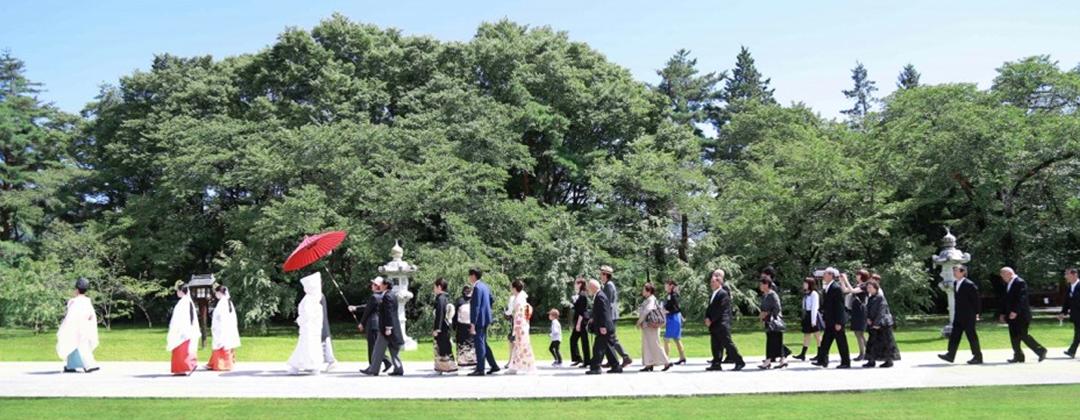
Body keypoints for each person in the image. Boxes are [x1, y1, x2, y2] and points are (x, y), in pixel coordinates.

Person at [998, 267, 1047, 363]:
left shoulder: (1020, 282)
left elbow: (1022, 298)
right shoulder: (1009, 284)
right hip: (1011, 314)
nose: (1002, 278)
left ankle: (1040, 350)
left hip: (1021, 315)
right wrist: (1003, 313)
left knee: (1023, 335)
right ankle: (1018, 355)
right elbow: (1006, 300)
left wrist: (1015, 311)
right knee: (1014, 336)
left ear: (1009, 273)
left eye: (1003, 275)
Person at [938, 265, 983, 364]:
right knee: (955, 335)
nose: (954, 272)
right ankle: (950, 355)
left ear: (963, 272)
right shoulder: (955, 283)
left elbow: (976, 300)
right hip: (959, 315)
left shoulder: (969, 284)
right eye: (953, 270)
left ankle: (977, 356)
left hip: (969, 315)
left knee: (971, 336)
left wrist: (977, 313)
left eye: (956, 271)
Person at [57, 278, 99, 373]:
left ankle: (88, 365)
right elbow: (91, 316)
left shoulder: (73, 302)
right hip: (85, 327)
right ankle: (71, 365)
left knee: (75, 344)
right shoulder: (87, 301)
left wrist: (65, 326)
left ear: (76, 290)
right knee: (81, 345)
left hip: (75, 327)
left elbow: (70, 316)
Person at [705, 269, 745, 371]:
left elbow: (720, 309)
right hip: (714, 324)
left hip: (721, 323)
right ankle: (716, 363)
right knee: (715, 345)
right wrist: (707, 317)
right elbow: (710, 308)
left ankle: (739, 361)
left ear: (719, 282)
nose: (711, 284)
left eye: (713, 282)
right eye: (711, 282)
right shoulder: (713, 294)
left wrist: (711, 319)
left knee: (727, 343)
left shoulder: (723, 293)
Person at [363, 277, 404, 376]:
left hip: (386, 329)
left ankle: (373, 369)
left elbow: (389, 313)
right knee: (393, 349)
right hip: (391, 328)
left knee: (377, 350)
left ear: (385, 285)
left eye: (381, 284)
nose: (379, 286)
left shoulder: (387, 296)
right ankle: (398, 369)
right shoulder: (391, 295)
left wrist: (388, 327)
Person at [349, 280, 392, 373]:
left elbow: (367, 311)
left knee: (372, 347)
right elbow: (368, 306)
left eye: (373, 284)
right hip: (378, 324)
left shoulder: (374, 297)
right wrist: (355, 308)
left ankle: (372, 367)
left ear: (377, 286)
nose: (371, 286)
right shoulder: (382, 296)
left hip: (372, 324)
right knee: (376, 346)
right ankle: (386, 361)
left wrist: (362, 323)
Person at [813, 267, 851, 369]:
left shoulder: (836, 288)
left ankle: (846, 362)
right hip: (830, 320)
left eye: (825, 274)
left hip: (836, 321)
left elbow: (839, 306)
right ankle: (822, 360)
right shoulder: (828, 287)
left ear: (831, 275)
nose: (823, 276)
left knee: (841, 342)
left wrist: (839, 322)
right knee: (826, 341)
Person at [287, 273, 324, 375]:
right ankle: (312, 366)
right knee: (308, 347)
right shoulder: (313, 298)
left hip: (310, 328)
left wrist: (299, 320)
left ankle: (307, 366)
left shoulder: (309, 299)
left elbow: (307, 315)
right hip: (311, 328)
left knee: (307, 347)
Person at [467, 268, 500, 376]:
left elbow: (475, 307)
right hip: (485, 318)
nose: (468, 278)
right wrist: (486, 310)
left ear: (473, 276)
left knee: (479, 344)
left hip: (479, 320)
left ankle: (480, 369)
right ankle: (493, 365)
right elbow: (491, 299)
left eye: (469, 275)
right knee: (483, 343)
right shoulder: (485, 286)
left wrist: (472, 323)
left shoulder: (476, 288)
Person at [599, 265, 633, 369]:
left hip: (610, 316)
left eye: (601, 273)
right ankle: (611, 359)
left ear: (606, 275)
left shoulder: (609, 285)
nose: (600, 275)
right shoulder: (607, 285)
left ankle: (625, 357)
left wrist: (604, 316)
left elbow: (607, 303)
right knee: (608, 339)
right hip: (611, 315)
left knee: (612, 338)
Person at [636, 282, 672, 372]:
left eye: (644, 289)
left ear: (649, 291)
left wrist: (639, 321)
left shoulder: (651, 299)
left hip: (651, 325)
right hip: (647, 326)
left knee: (655, 344)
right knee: (647, 344)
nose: (642, 291)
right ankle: (649, 364)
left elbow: (647, 310)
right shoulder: (648, 299)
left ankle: (666, 362)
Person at [864, 280, 900, 368]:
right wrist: (868, 319)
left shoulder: (880, 297)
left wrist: (876, 323)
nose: (868, 289)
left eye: (870, 287)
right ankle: (871, 360)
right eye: (867, 287)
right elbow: (869, 310)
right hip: (873, 323)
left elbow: (881, 311)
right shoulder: (871, 297)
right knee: (872, 342)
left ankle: (888, 360)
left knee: (886, 342)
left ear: (875, 288)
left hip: (883, 324)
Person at [166, 283, 201, 376]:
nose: (177, 292)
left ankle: (182, 369)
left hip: (182, 330)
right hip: (188, 330)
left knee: (180, 351)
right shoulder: (188, 301)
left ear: (182, 291)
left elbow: (179, 318)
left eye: (178, 290)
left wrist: (176, 329)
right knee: (187, 350)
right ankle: (190, 365)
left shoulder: (183, 303)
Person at [586, 279, 619, 374]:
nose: (588, 289)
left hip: (604, 327)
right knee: (608, 347)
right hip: (605, 326)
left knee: (598, 347)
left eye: (589, 287)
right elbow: (599, 312)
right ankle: (616, 367)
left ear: (593, 287)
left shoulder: (600, 296)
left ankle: (596, 368)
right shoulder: (600, 295)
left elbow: (604, 312)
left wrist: (603, 326)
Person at [505, 280, 536, 374]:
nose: (511, 289)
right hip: (521, 325)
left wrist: (517, 327)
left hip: (521, 326)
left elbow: (519, 314)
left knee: (523, 346)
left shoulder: (519, 299)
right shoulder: (519, 297)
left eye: (511, 287)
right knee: (518, 346)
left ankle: (530, 367)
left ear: (514, 288)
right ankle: (514, 367)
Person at [758, 276, 788, 370]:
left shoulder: (772, 294)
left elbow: (777, 308)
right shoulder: (765, 295)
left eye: (762, 284)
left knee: (773, 341)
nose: (760, 286)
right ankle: (782, 360)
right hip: (768, 321)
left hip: (774, 321)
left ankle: (768, 361)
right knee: (775, 341)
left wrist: (767, 313)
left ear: (767, 284)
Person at [208, 285, 240, 371]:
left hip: (222, 328)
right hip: (228, 328)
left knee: (221, 345)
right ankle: (215, 363)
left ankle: (223, 364)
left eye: (216, 293)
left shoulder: (222, 303)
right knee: (226, 345)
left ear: (219, 293)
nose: (215, 295)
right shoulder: (228, 302)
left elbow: (221, 317)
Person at [840, 269, 871, 362]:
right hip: (856, 311)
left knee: (860, 333)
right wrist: (842, 281)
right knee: (857, 333)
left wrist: (846, 279)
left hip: (861, 311)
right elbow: (845, 290)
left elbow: (853, 291)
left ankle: (866, 353)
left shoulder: (865, 285)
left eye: (858, 274)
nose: (856, 276)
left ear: (863, 276)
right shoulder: (859, 285)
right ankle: (864, 352)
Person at [432, 277, 458, 374]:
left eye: (434, 287)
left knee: (443, 347)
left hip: (442, 327)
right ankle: (442, 367)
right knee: (443, 347)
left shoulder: (441, 299)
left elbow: (440, 314)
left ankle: (448, 367)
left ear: (439, 287)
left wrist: (437, 329)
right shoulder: (443, 298)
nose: (434, 289)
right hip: (444, 326)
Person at [793, 277, 822, 361]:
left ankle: (820, 354)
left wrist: (813, 321)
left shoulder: (814, 294)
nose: (803, 284)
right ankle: (803, 354)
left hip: (813, 315)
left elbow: (814, 307)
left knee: (817, 335)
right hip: (807, 314)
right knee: (806, 335)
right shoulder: (806, 294)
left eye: (805, 283)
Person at [663, 279, 687, 365]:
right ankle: (682, 357)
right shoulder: (671, 295)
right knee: (676, 338)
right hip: (673, 318)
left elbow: (676, 308)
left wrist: (667, 311)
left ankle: (666, 359)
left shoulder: (673, 295)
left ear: (671, 286)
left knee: (666, 339)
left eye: (666, 285)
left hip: (673, 318)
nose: (665, 287)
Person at [569, 278, 591, 368]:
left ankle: (587, 361)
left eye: (576, 283)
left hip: (582, 321)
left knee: (584, 341)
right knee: (573, 340)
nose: (574, 285)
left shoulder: (583, 295)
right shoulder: (580, 295)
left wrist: (578, 324)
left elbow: (582, 311)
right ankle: (578, 358)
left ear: (580, 284)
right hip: (579, 320)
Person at [453, 285, 477, 367]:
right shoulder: (459, 301)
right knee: (462, 343)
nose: (467, 291)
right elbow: (455, 315)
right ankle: (462, 361)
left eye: (469, 290)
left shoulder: (474, 300)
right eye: (466, 290)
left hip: (471, 325)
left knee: (472, 343)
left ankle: (472, 360)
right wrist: (454, 325)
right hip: (461, 326)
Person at [1060, 268, 1080, 358]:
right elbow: (1067, 302)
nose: (1065, 277)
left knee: (1078, 333)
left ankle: (1072, 351)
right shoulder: (1070, 287)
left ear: (1074, 275)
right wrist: (1063, 312)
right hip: (1076, 315)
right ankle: (1072, 351)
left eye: (1067, 274)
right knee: (1078, 333)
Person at [318, 282, 337, 373]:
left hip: (320, 324)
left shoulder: (319, 296)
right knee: (324, 343)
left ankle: (331, 361)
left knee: (324, 344)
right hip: (320, 324)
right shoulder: (319, 296)